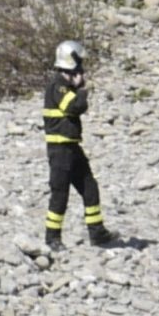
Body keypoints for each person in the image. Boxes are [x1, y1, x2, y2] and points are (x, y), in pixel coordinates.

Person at [42, 38, 112, 250]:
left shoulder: (66, 85)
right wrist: (81, 89)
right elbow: (74, 107)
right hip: (60, 150)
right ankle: (52, 237)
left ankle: (97, 232)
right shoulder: (58, 86)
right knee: (60, 194)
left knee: (90, 187)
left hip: (72, 147)